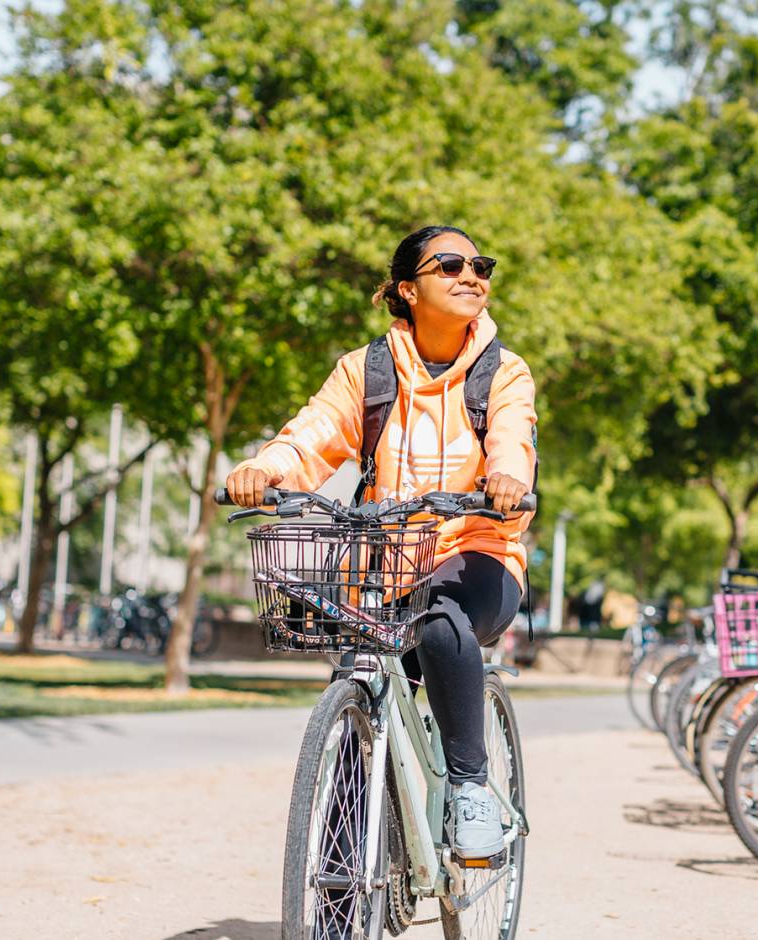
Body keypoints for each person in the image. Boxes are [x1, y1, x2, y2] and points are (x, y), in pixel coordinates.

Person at [224, 224, 537, 859]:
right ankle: (338, 878)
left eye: (481, 264)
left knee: (444, 622)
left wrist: (506, 477)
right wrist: (266, 468)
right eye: (449, 265)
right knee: (357, 686)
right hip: (388, 562)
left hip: (478, 551)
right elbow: (312, 433)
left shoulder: (503, 372)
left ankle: (470, 790)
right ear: (407, 288)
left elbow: (513, 434)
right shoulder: (366, 370)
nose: (471, 276)